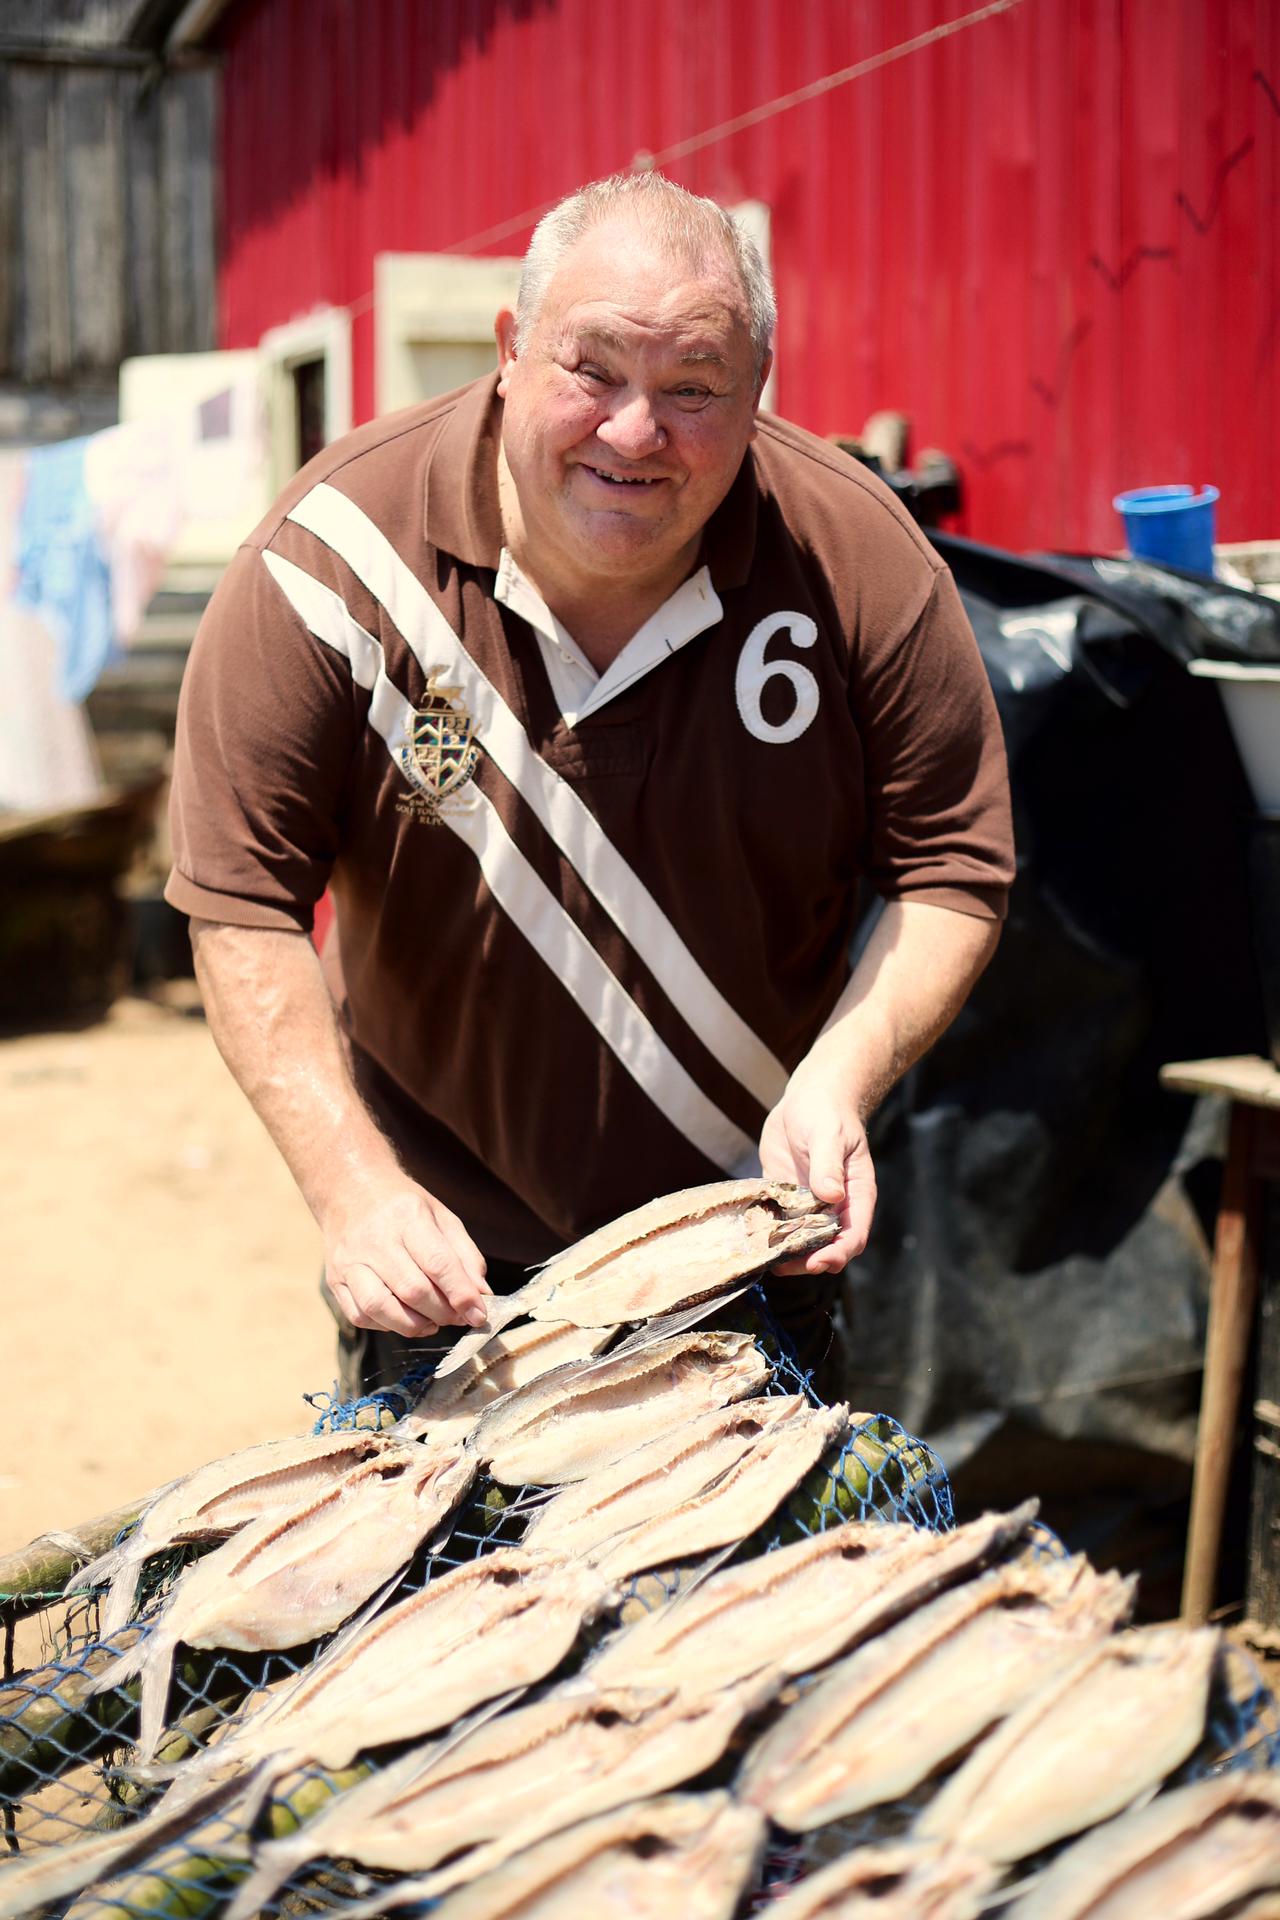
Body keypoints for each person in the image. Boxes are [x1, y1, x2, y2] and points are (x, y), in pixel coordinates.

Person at [165, 171, 1014, 1398]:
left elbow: (953, 868)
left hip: (746, 1245)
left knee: (742, 1595)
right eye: (592, 370)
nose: (633, 431)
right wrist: (353, 1189)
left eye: (692, 390)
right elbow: (239, 901)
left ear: (757, 392)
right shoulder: (330, 561)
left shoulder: (856, 563)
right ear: (511, 351)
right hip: (443, 1265)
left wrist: (841, 1075)